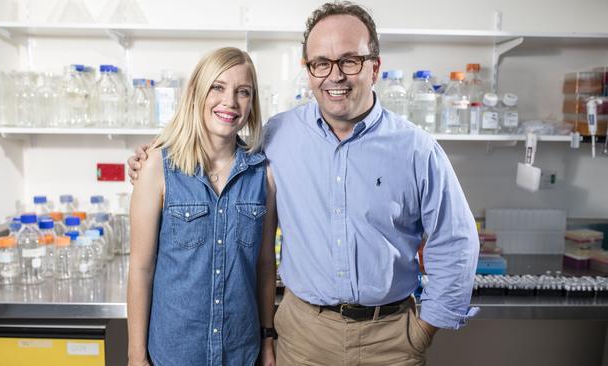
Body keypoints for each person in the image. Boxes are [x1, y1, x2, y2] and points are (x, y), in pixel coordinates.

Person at [129, 2, 479, 365]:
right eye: (321, 63)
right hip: (304, 339)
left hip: (389, 339)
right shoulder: (278, 137)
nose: (335, 76)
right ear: (308, 71)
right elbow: (215, 139)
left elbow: (455, 240)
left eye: (350, 60)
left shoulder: (416, 149)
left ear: (375, 67)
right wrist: (151, 157)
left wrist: (424, 328)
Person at [127, 47, 277, 366]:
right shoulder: (156, 166)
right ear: (196, 93)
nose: (230, 102)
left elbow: (265, 265)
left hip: (241, 353)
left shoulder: (263, 174)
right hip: (174, 353)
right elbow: (141, 269)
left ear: (252, 104)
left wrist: (267, 341)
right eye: (217, 88)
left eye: (243, 92)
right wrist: (136, 355)